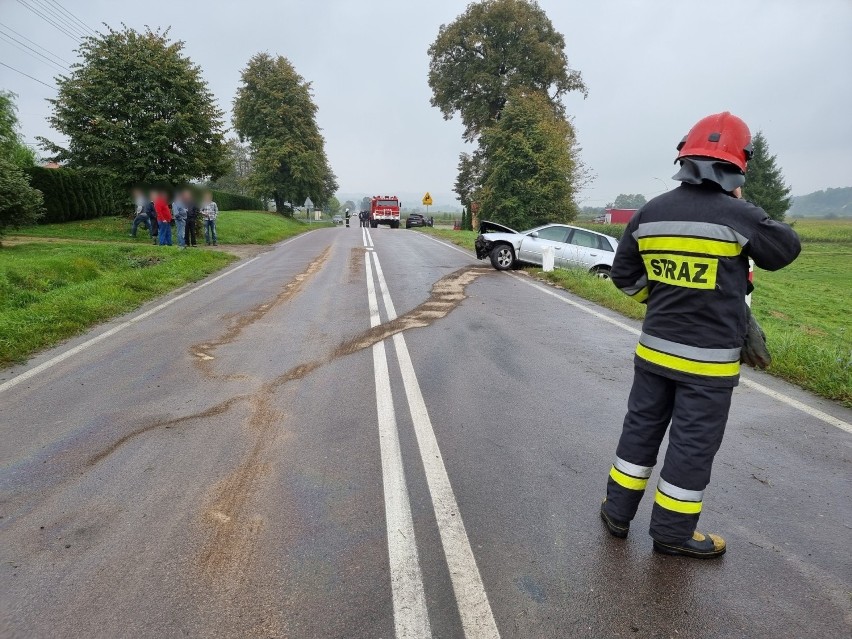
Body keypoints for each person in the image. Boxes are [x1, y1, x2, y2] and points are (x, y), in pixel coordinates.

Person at [600, 112, 801, 559]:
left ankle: (616, 514)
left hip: (654, 353)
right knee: (690, 447)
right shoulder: (738, 215)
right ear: (737, 164)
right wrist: (741, 204)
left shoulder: (650, 213)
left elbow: (624, 276)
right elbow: (785, 249)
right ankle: (671, 535)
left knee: (639, 430)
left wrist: (659, 301)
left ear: (685, 156)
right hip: (707, 365)